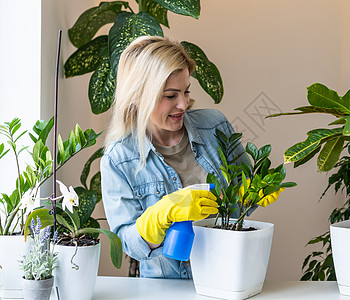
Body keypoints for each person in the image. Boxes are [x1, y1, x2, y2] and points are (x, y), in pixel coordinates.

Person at [100, 36, 246, 279]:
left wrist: (254, 192)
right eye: (170, 95)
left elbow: (242, 204)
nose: (183, 104)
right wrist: (160, 215)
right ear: (137, 96)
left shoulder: (215, 127)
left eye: (186, 91)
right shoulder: (119, 160)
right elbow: (126, 242)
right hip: (164, 287)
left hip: (225, 277)